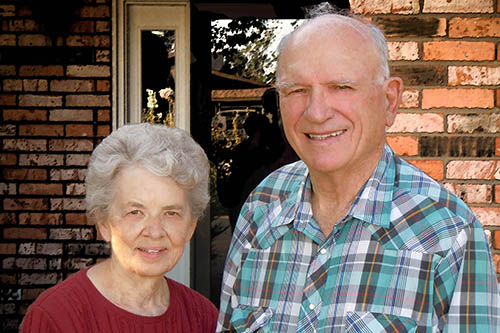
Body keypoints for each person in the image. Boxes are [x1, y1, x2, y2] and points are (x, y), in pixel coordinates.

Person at [217, 5, 500, 333]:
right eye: (297, 90)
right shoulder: (261, 207)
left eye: (341, 87)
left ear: (390, 101)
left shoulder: (449, 232)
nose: (317, 112)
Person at [21, 123, 218, 332]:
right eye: (135, 212)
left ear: (191, 226)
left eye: (171, 213)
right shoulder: (57, 317)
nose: (154, 231)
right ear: (104, 223)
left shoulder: (203, 316)